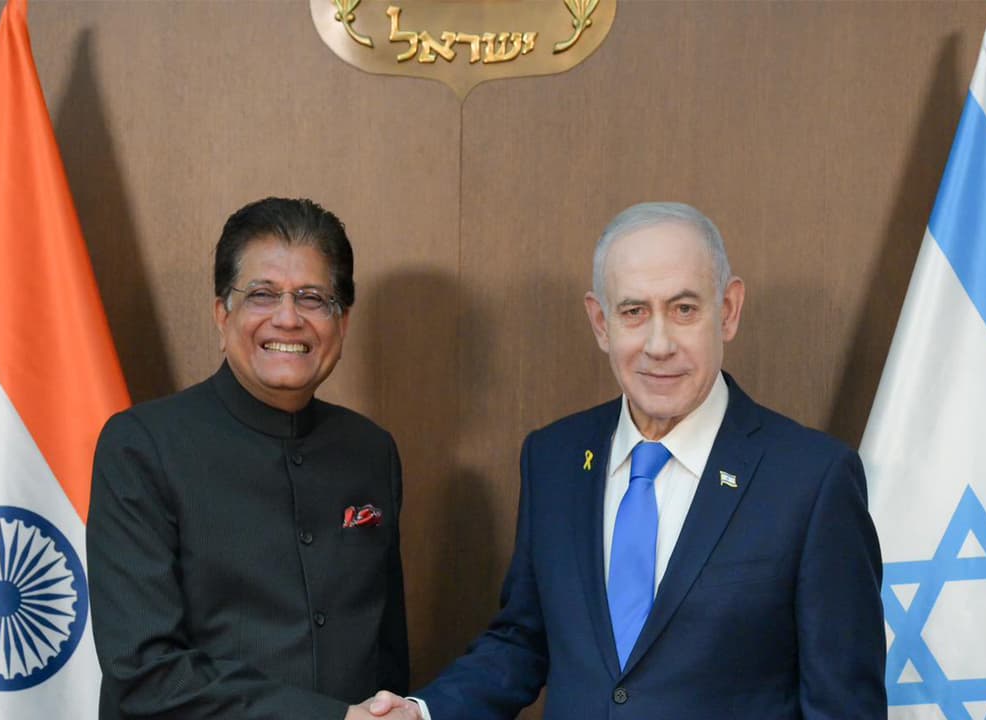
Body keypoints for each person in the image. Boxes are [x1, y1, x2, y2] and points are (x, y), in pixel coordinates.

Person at [367, 202, 885, 718]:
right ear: (600, 322)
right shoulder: (553, 459)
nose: (659, 345)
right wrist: (424, 711)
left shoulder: (812, 479)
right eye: (634, 312)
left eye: (684, 309)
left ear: (728, 311)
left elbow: (843, 707)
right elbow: (524, 639)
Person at [88, 197, 409, 719]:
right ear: (222, 313)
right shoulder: (142, 446)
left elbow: (386, 651)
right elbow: (145, 673)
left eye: (312, 298)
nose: (288, 319)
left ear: (342, 321)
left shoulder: (372, 451)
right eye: (262, 295)